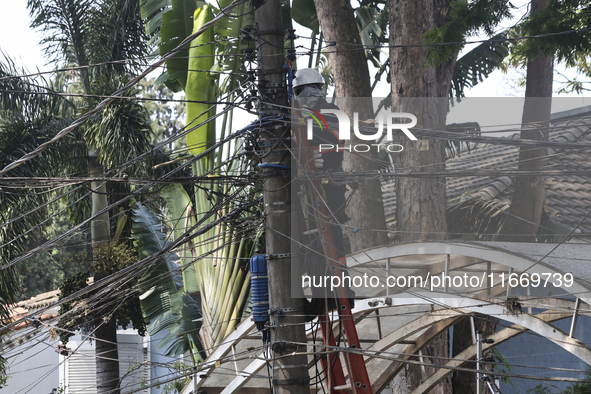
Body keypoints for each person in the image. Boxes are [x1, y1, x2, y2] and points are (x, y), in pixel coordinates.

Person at [292, 68, 354, 318]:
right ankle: (320, 297)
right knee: (311, 242)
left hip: (330, 183)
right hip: (306, 186)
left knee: (332, 237)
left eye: (304, 91)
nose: (305, 95)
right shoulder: (295, 115)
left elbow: (340, 140)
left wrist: (321, 155)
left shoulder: (330, 111)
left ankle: (342, 292)